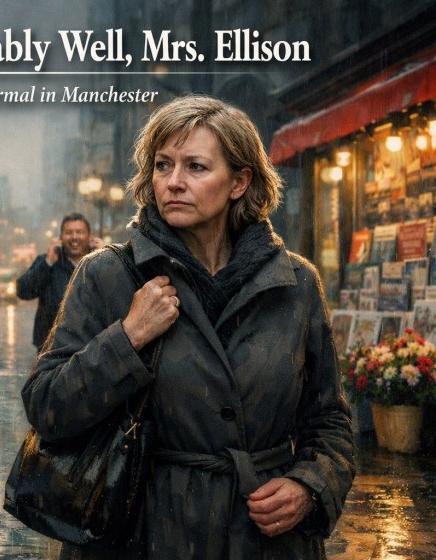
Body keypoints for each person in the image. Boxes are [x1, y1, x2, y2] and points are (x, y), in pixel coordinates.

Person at [20, 95, 355, 559]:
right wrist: (128, 337)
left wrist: (309, 486)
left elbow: (330, 421)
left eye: (195, 167)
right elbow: (46, 405)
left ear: (240, 181)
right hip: (141, 535)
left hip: (264, 542)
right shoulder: (109, 275)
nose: (173, 182)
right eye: (162, 165)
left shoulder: (295, 284)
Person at [16, 213, 104, 349]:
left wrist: (104, 259)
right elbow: (23, 291)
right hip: (51, 348)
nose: (74, 237)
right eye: (69, 233)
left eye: (79, 232)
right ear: (60, 238)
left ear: (90, 237)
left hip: (90, 346)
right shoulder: (47, 262)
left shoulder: (99, 262)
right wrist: (47, 263)